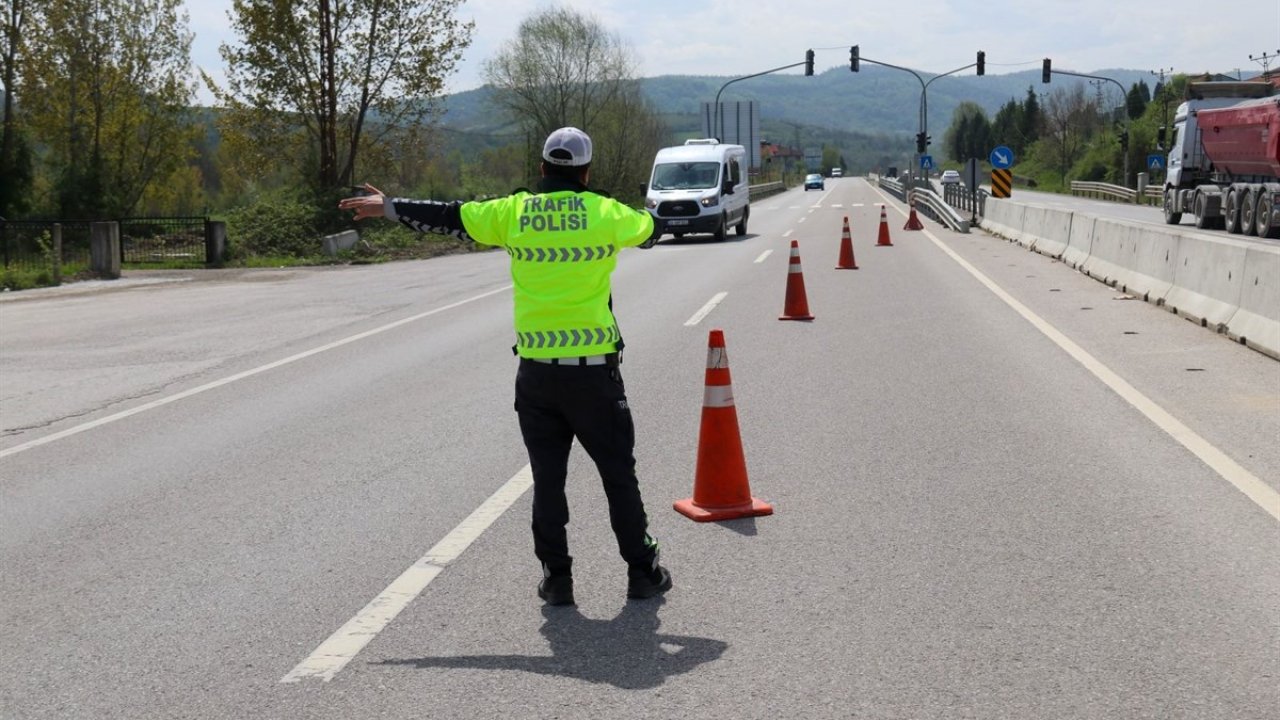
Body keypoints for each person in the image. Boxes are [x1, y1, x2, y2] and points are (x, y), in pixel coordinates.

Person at [339, 127, 671, 607]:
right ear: (585, 172)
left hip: (537, 376)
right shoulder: (605, 212)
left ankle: (557, 580)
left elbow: (449, 215)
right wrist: (648, 221)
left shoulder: (514, 212)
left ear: (541, 169)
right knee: (618, 475)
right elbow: (650, 229)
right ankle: (642, 572)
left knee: (548, 478)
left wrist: (390, 206)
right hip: (593, 375)